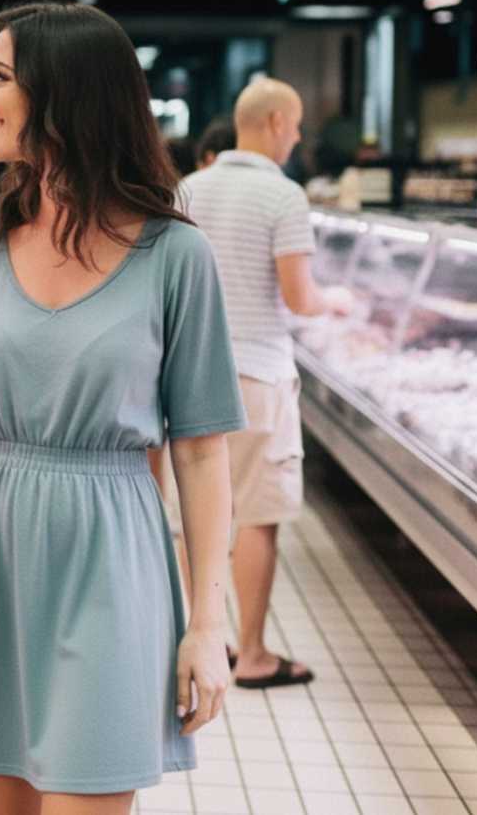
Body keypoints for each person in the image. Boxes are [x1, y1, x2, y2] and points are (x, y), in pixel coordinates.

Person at [0, 1, 244, 813]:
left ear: (69, 94)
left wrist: (206, 625)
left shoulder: (174, 255)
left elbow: (199, 450)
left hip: (109, 557)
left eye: (0, 77)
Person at [180, 78, 352, 690]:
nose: (301, 137)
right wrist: (337, 299)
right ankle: (251, 654)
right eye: (298, 125)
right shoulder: (284, 197)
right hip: (259, 375)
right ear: (277, 122)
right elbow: (300, 298)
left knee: (190, 517)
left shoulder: (187, 188)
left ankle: (205, 637)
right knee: (256, 517)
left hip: (191, 376)